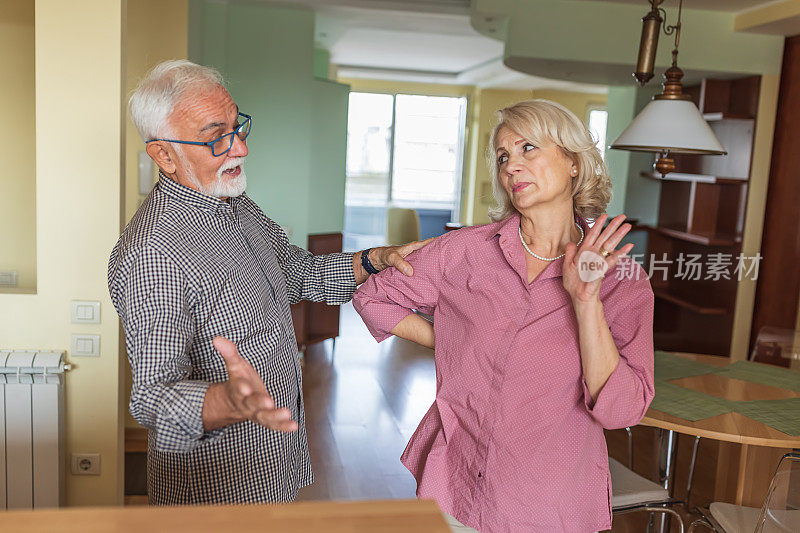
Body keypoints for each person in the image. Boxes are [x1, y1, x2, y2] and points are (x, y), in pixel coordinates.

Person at [108, 59, 426, 505]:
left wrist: (375, 260)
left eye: (238, 127)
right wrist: (226, 402)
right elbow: (153, 398)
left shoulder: (234, 204)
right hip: (215, 494)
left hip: (272, 464)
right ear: (164, 155)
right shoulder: (155, 253)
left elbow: (299, 274)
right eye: (216, 136)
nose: (240, 148)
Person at [353, 100, 655, 532]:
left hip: (550, 503)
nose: (512, 165)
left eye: (528, 148)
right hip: (456, 488)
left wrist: (585, 301)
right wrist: (457, 340)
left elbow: (622, 410)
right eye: (503, 156)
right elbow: (373, 297)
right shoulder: (464, 251)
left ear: (573, 162)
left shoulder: (622, 279)